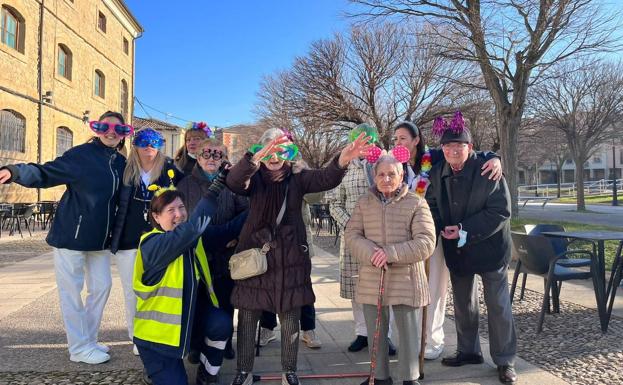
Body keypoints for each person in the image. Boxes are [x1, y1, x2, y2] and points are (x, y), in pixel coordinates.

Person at [225, 128, 371, 385]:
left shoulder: (298, 177)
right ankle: (243, 371)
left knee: (291, 317)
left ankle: (289, 371)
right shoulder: (254, 176)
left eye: (281, 149)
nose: (274, 155)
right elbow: (235, 182)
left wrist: (343, 159)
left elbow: (325, 178)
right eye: (269, 148)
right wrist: (253, 157)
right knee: (248, 317)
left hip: (290, 258)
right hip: (256, 255)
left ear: (289, 153)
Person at [0, 111, 129, 364]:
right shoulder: (81, 155)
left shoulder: (120, 163)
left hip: (101, 239)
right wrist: (15, 171)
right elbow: (48, 172)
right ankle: (78, 348)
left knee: (102, 287)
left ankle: (88, 340)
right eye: (105, 126)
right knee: (71, 291)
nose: (111, 132)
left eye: (117, 128)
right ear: (97, 129)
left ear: (124, 132)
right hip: (72, 234)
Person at [392, 119, 502, 360]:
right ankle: (415, 340)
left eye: (404, 138)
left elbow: (464, 149)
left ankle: (434, 340)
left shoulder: (433, 158)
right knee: (411, 291)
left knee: (435, 289)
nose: (399, 142)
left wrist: (495, 157)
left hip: (439, 235)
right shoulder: (394, 164)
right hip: (406, 237)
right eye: (396, 139)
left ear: (416, 140)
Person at [425, 115, 517, 385]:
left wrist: (464, 228)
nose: (454, 150)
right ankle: (468, 351)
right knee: (464, 303)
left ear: (470, 146)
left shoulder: (488, 168)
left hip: (490, 247)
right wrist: (440, 226)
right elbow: (431, 204)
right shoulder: (436, 171)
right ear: (442, 149)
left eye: (460, 145)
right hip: (459, 249)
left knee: (498, 305)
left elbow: (501, 210)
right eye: (448, 146)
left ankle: (505, 360)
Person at [133, 168, 246, 385]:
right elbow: (191, 230)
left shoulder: (193, 236)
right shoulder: (152, 243)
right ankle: (154, 370)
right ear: (156, 217)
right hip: (158, 339)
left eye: (182, 208)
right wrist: (215, 189)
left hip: (187, 321)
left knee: (221, 323)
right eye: (170, 210)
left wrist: (264, 199)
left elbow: (229, 229)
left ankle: (207, 372)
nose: (179, 214)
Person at [346, 154, 436, 385]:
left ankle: (409, 377)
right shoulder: (364, 203)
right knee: (375, 331)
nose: (386, 179)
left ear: (401, 175)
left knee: (407, 332)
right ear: (374, 177)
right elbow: (352, 235)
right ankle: (379, 376)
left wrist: (391, 253)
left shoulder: (416, 202)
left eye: (391, 174)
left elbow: (426, 241)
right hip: (372, 275)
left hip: (406, 277)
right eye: (381, 174)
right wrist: (372, 253)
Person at [110, 128, 181, 355]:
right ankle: (136, 336)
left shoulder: (170, 169)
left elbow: (188, 191)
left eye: (154, 141)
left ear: (160, 145)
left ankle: (156, 334)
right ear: (135, 145)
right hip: (129, 239)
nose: (148, 145)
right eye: (142, 141)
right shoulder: (124, 168)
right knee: (132, 291)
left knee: (158, 290)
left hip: (159, 239)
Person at [177, 138, 248, 360]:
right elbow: (180, 218)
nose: (211, 159)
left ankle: (224, 343)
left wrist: (236, 237)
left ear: (224, 158)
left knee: (226, 301)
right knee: (197, 302)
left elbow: (245, 213)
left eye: (217, 155)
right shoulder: (185, 184)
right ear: (198, 157)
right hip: (196, 255)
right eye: (206, 154)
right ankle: (197, 345)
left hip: (226, 255)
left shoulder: (233, 185)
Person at [327, 147, 398, 356]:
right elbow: (334, 203)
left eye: (370, 142)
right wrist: (352, 227)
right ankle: (362, 333)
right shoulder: (344, 168)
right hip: (353, 239)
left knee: (385, 288)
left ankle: (385, 335)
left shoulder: (383, 165)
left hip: (381, 237)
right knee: (357, 288)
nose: (365, 148)